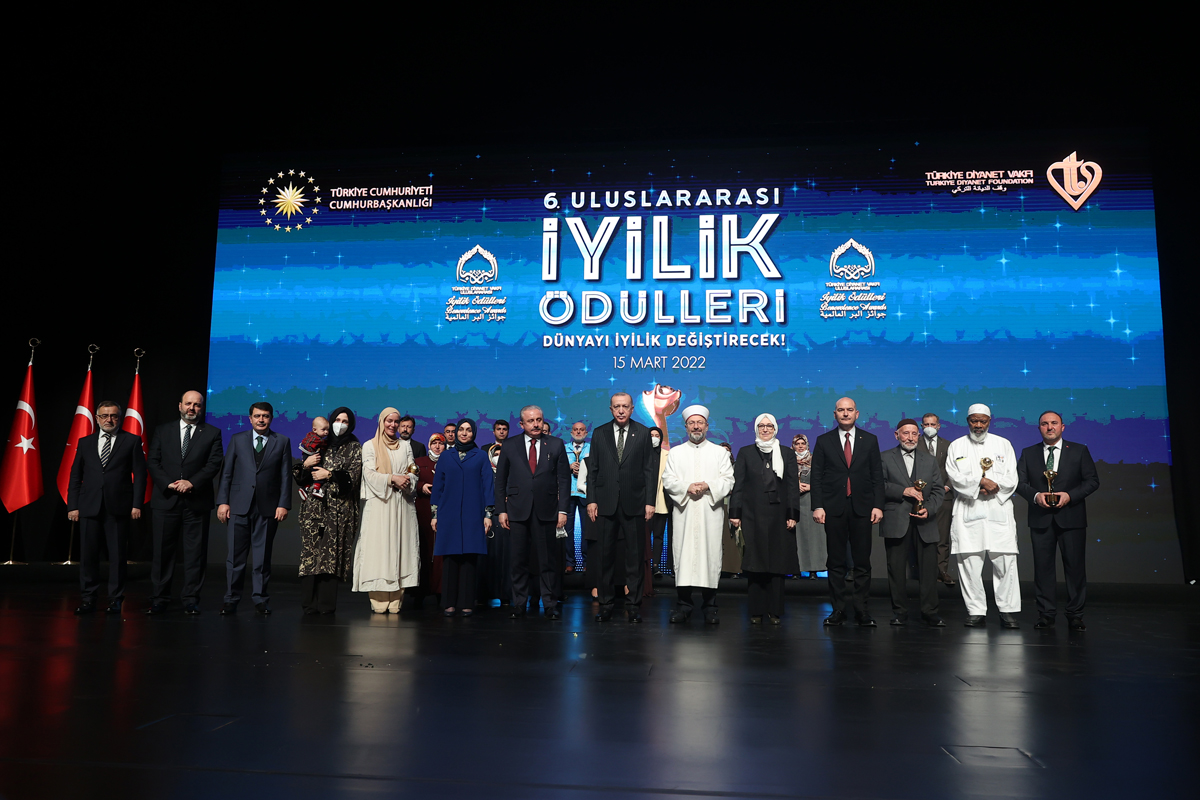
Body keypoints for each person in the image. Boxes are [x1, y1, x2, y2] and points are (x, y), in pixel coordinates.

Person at [1016, 411, 1099, 631]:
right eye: (1044, 424)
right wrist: (1036, 496)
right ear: (1039, 428)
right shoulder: (1028, 453)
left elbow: (1092, 481)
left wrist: (1070, 496)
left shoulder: (1079, 450)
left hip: (1072, 518)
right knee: (1043, 569)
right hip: (1040, 519)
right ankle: (1046, 614)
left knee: (1075, 568)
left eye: (1054, 423)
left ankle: (1075, 615)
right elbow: (1019, 483)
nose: (1049, 427)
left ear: (1063, 427)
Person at [145, 390, 223, 615]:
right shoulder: (163, 430)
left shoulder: (212, 432)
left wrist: (192, 483)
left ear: (202, 407)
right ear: (180, 405)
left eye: (197, 405)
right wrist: (168, 483)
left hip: (196, 501)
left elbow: (213, 463)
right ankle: (159, 598)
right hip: (166, 499)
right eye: (188, 404)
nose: (192, 408)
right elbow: (153, 461)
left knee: (195, 554)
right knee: (162, 553)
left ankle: (191, 599)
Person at [67, 400, 147, 614]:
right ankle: (88, 599)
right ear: (97, 418)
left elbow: (140, 476)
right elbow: (75, 476)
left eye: (113, 416)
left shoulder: (131, 441)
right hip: (88, 507)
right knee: (88, 557)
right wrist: (73, 505)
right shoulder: (85, 442)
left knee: (118, 557)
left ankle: (115, 600)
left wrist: (136, 504)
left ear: (120, 418)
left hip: (118, 507)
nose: (109, 420)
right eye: (104, 416)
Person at [810, 396, 884, 627]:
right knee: (835, 562)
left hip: (863, 508)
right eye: (841, 410)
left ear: (857, 413)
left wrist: (878, 505)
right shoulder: (824, 441)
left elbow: (877, 476)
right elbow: (817, 476)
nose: (845, 413)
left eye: (849, 410)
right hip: (834, 508)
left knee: (862, 562)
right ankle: (838, 610)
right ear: (835, 414)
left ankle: (862, 610)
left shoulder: (870, 440)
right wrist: (818, 506)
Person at [945, 403, 1021, 628]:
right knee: (969, 565)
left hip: (998, 510)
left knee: (1005, 564)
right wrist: (979, 482)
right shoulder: (957, 446)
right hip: (968, 510)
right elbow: (953, 476)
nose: (978, 425)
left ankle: (1007, 611)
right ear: (967, 421)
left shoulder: (1003, 444)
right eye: (974, 421)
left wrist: (993, 487)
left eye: (982, 421)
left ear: (989, 421)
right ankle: (976, 611)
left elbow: (1012, 477)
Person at [586, 392, 658, 623]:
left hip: (634, 502)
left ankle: (634, 605)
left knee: (634, 557)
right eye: (616, 406)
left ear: (632, 408)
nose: (620, 410)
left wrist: (650, 502)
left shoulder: (643, 433)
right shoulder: (599, 433)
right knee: (604, 556)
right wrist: (591, 500)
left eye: (625, 406)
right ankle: (606, 604)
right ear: (610, 409)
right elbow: (593, 469)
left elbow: (649, 470)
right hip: (605, 503)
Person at [216, 402, 292, 615]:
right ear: (250, 419)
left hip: (267, 508)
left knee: (262, 558)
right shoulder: (237, 439)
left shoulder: (282, 441)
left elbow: (285, 476)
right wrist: (223, 501)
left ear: (271, 418)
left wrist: (283, 504)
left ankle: (260, 599)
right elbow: (227, 473)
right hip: (238, 505)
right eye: (257, 416)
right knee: (235, 558)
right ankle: (231, 599)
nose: (261, 419)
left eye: (265, 416)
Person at [494, 406, 570, 619]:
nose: (536, 424)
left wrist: (563, 510)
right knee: (518, 560)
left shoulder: (555, 444)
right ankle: (519, 603)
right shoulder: (510, 445)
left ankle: (550, 604)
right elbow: (500, 481)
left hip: (547, 510)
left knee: (547, 560)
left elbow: (564, 479)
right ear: (522, 424)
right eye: (531, 421)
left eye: (539, 420)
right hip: (517, 510)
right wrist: (501, 510)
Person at [661, 405, 735, 624]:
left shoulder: (720, 453)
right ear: (685, 427)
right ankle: (684, 605)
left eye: (699, 422)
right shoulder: (676, 453)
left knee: (710, 557)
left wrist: (707, 485)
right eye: (692, 423)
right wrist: (687, 487)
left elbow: (728, 479)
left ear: (707, 426)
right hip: (684, 512)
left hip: (710, 512)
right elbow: (668, 480)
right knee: (684, 557)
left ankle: (710, 606)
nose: (696, 426)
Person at [731, 413, 799, 624]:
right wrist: (735, 513)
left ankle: (774, 610)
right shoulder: (746, 452)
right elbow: (738, 485)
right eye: (761, 425)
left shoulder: (787, 453)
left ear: (775, 429)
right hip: (752, 515)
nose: (765, 429)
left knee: (778, 564)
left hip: (780, 516)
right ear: (756, 429)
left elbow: (792, 486)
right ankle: (756, 610)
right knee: (755, 563)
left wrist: (792, 514)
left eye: (769, 426)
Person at [292, 407, 361, 615]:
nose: (340, 424)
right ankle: (309, 604)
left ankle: (326, 605)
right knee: (311, 554)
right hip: (313, 509)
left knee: (331, 556)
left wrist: (329, 474)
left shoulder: (354, 447)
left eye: (345, 421)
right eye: (337, 419)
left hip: (339, 511)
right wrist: (306, 465)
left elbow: (354, 478)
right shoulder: (319, 442)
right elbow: (300, 476)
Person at [352, 407, 420, 613]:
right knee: (379, 549)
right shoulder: (370, 446)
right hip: (380, 505)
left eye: (396, 421)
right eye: (389, 421)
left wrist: (407, 480)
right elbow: (369, 474)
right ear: (381, 422)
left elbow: (412, 470)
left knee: (401, 548)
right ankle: (379, 597)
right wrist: (392, 478)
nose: (393, 425)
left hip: (402, 504)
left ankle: (397, 597)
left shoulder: (405, 446)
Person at [880, 419, 946, 626]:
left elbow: (938, 490)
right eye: (905, 433)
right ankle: (899, 612)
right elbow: (878, 485)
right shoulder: (884, 457)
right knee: (896, 569)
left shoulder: (930, 460)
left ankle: (930, 612)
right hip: (896, 520)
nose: (910, 438)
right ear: (896, 435)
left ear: (919, 435)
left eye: (914, 434)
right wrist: (903, 491)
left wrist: (929, 509)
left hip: (925, 521)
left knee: (929, 570)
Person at [431, 420, 492, 616]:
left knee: (469, 558)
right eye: (461, 430)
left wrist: (488, 514)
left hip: (473, 512)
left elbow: (488, 485)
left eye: (468, 430)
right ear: (456, 432)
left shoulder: (480, 456)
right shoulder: (446, 456)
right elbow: (438, 486)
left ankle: (466, 602)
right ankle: (448, 602)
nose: (464, 433)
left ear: (474, 433)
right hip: (448, 512)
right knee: (450, 557)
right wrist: (435, 514)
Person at [921, 413, 956, 586]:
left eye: (932, 424)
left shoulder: (949, 446)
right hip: (921, 498)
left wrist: (946, 487)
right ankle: (924, 572)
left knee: (942, 537)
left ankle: (942, 571)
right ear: (922, 426)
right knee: (922, 537)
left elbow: (955, 470)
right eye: (926, 424)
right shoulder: (915, 444)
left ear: (938, 426)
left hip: (944, 496)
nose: (930, 427)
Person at [411, 432, 446, 609]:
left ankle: (440, 591)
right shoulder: (419, 462)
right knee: (423, 551)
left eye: (441, 443)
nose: (437, 446)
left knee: (440, 554)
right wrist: (421, 486)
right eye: (434, 443)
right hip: (423, 511)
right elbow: (410, 481)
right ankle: (420, 592)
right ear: (429, 445)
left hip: (444, 511)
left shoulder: (449, 461)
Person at [792, 434, 826, 578]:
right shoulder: (788, 461)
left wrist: (811, 487)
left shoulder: (815, 460)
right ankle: (796, 569)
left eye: (803, 443)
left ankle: (814, 570)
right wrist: (795, 485)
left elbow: (825, 480)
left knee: (814, 537)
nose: (800, 446)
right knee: (796, 537)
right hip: (794, 502)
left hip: (812, 501)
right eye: (797, 444)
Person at [566, 421, 591, 571]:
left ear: (586, 433)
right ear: (571, 433)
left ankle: (587, 562)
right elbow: (557, 468)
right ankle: (569, 562)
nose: (578, 432)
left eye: (581, 430)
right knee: (567, 530)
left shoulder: (591, 449)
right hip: (568, 493)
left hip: (585, 492)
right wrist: (568, 467)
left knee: (586, 529)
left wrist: (584, 469)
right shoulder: (564, 449)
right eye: (575, 430)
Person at [646, 426, 669, 586]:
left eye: (657, 435)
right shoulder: (640, 454)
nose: (654, 437)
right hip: (644, 503)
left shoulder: (668, 455)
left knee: (659, 536)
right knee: (644, 536)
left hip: (661, 501)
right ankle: (644, 564)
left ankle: (656, 565)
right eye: (651, 435)